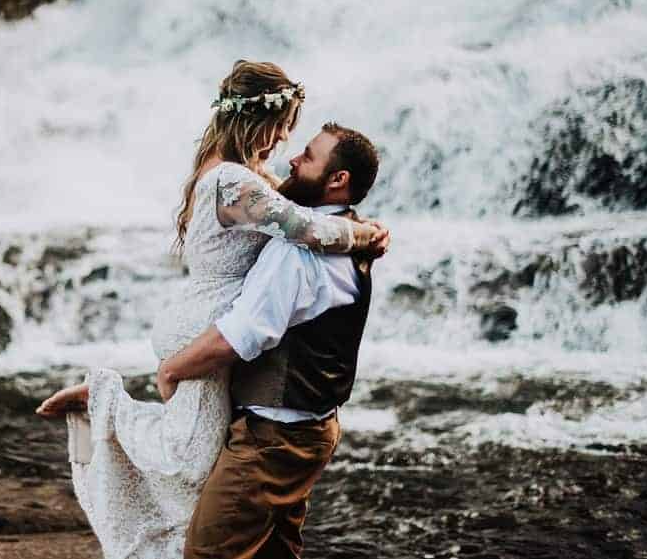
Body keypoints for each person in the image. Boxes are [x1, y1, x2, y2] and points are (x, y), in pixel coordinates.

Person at [36, 60, 388, 559]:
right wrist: (365, 234)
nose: (288, 145)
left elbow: (304, 217)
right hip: (213, 337)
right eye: (287, 128)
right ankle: (102, 400)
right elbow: (307, 230)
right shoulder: (237, 184)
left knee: (207, 487)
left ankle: (102, 403)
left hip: (222, 349)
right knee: (188, 470)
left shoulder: (244, 176)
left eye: (300, 145)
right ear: (262, 121)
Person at [157, 123, 380, 559]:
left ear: (338, 180)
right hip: (308, 428)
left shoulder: (299, 252)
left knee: (208, 553)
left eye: (309, 156)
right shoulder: (349, 235)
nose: (293, 160)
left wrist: (172, 368)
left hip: (275, 435)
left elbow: (241, 336)